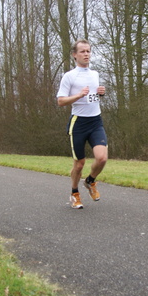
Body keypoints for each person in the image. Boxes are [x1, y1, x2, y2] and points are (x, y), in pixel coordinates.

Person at [56, 39, 108, 209]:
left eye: (88, 51)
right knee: (79, 164)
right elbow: (61, 101)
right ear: (74, 55)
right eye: (83, 51)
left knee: (101, 158)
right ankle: (74, 194)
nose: (86, 54)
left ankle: (90, 181)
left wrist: (101, 93)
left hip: (95, 121)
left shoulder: (94, 74)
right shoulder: (69, 76)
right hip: (78, 123)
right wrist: (78, 95)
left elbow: (92, 97)